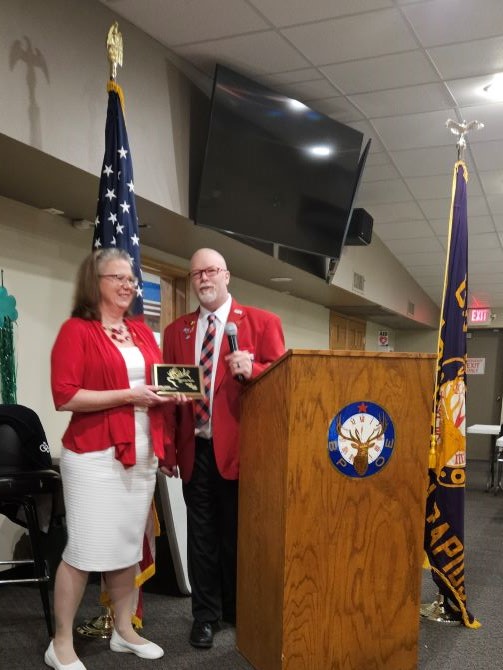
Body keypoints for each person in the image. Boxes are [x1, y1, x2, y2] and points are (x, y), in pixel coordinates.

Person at [47, 248, 184, 670]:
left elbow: (158, 383)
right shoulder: (77, 331)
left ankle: (124, 631)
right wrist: (130, 395)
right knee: (85, 551)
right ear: (96, 281)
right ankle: (61, 643)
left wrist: (175, 393)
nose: (129, 285)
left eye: (132, 279)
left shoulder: (142, 332)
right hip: (93, 457)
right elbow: (65, 396)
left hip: (141, 455)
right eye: (118, 277)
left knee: (127, 547)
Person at [160, 247, 285, 649]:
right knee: (201, 540)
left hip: (244, 456)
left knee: (238, 539)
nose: (203, 279)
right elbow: (169, 396)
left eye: (211, 271)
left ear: (227, 276)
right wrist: (165, 449)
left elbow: (285, 388)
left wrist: (256, 371)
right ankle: (206, 616)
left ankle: (237, 609)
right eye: (196, 273)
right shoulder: (176, 331)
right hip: (195, 451)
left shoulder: (262, 324)